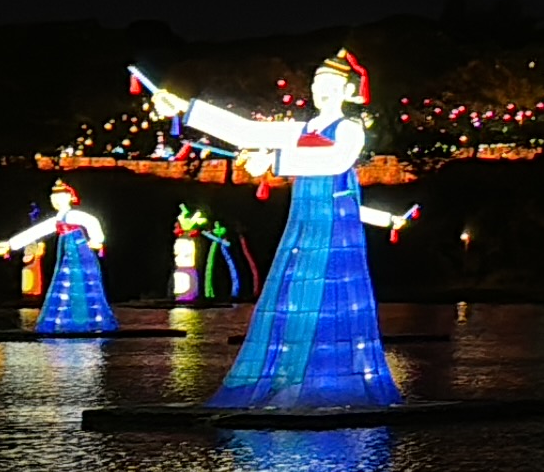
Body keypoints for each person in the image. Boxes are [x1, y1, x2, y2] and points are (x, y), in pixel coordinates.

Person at [145, 52, 417, 408]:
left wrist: (273, 161)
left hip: (334, 224)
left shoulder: (350, 128)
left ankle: (327, 382)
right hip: (303, 222)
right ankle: (294, 377)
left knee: (327, 293)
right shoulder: (303, 129)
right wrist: (184, 107)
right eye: (318, 83)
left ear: (347, 90)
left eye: (331, 85)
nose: (321, 90)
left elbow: (336, 160)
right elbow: (247, 130)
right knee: (293, 291)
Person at [0, 182, 116, 335]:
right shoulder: (57, 219)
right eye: (53, 197)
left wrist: (97, 240)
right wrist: (10, 245)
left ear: (69, 197)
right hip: (67, 252)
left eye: (60, 197)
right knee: (65, 281)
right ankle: (69, 321)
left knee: (80, 281)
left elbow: (92, 222)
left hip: (80, 251)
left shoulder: (75, 215)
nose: (55, 200)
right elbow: (36, 232)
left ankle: (85, 321)